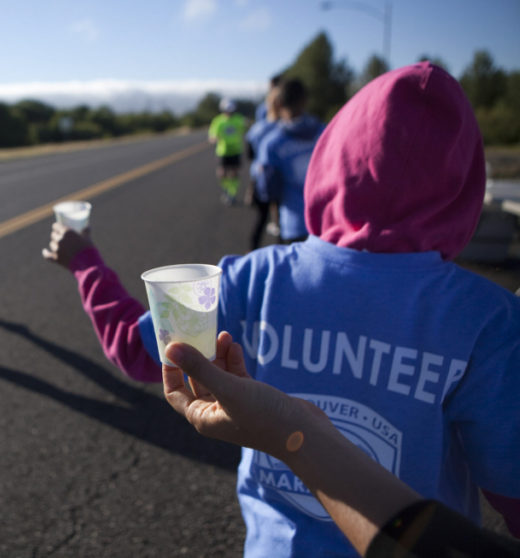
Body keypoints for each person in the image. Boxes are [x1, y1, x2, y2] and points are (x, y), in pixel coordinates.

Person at [42, 62, 520, 557]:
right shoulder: (492, 322)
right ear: (464, 186)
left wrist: (84, 262)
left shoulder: (251, 276)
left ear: (332, 159)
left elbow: (136, 349)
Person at [162, 333, 520, 558]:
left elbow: (134, 342)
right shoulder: (495, 317)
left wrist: (101, 270)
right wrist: (288, 427)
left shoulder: (260, 271)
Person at [253, 78, 324, 243]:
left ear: (279, 103)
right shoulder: (325, 132)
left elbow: (267, 189)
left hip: (294, 224)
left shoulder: (272, 143)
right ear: (305, 100)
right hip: (326, 223)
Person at [245, 82, 283, 249]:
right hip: (283, 180)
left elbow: (250, 154)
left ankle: (253, 253)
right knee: (282, 221)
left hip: (260, 178)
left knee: (260, 219)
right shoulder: (285, 129)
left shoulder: (256, 129)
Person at [208, 98, 247, 206]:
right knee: (222, 173)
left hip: (235, 150)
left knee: (234, 173)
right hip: (223, 151)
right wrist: (213, 138)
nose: (229, 113)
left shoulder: (239, 119)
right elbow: (212, 134)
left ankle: (232, 194)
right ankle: (226, 189)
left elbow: (245, 129)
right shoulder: (218, 121)